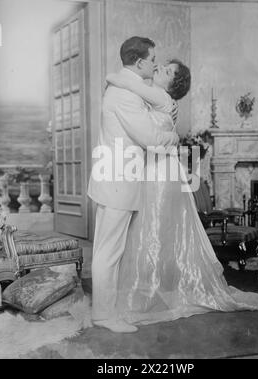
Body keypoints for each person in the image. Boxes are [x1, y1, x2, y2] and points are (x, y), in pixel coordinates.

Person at [106, 59, 258, 326]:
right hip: (158, 170)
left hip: (161, 174)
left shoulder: (161, 96)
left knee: (155, 229)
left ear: (174, 85)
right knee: (156, 230)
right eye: (162, 65)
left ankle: (152, 292)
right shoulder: (161, 99)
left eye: (169, 71)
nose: (160, 68)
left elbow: (125, 81)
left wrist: (112, 78)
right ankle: (157, 288)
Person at [87, 37, 180, 333]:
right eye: (153, 59)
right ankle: (103, 315)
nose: (156, 64)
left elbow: (161, 107)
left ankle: (106, 311)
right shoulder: (124, 94)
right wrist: (174, 138)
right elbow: (151, 138)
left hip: (115, 177)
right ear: (139, 62)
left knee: (109, 249)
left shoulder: (125, 87)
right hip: (118, 178)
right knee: (108, 251)